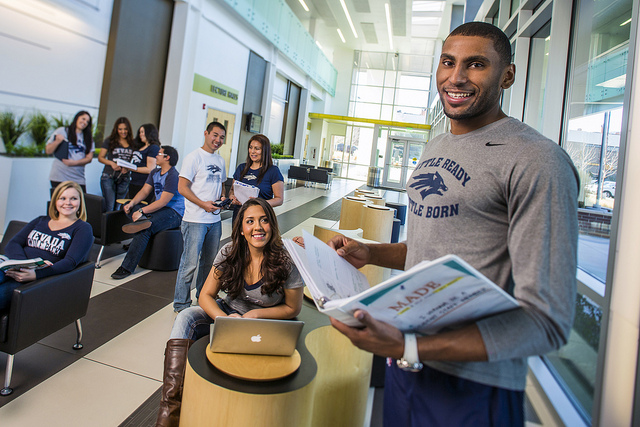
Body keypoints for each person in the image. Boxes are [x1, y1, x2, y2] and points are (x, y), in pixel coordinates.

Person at [328, 22, 579, 426]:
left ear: (507, 75)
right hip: (406, 367)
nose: (456, 77)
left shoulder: (537, 161)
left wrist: (412, 345)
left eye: (476, 64)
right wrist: (370, 252)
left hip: (474, 388)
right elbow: (430, 247)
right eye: (448, 62)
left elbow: (546, 321)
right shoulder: (437, 144)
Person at [156, 198, 304, 426]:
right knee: (186, 316)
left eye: (264, 220)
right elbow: (205, 295)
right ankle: (170, 410)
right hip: (229, 313)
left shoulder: (286, 260)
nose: (258, 227)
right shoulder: (229, 252)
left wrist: (256, 315)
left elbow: (293, 308)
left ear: (272, 226)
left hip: (268, 322)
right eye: (250, 221)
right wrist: (225, 319)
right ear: (242, 229)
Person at [0, 181, 93, 311]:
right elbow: (13, 243)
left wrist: (36, 274)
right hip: (15, 266)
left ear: (80, 202)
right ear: (55, 201)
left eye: (73, 198)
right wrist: (22, 264)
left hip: (38, 278)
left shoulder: (83, 228)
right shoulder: (41, 220)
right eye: (63, 198)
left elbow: (70, 262)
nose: (68, 202)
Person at [172, 121, 227, 312]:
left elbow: (221, 184)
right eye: (215, 135)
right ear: (206, 133)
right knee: (189, 264)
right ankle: (181, 304)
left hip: (215, 221)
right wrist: (203, 204)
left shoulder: (220, 161)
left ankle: (204, 297)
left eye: (221, 137)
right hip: (195, 220)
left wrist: (222, 197)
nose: (218, 140)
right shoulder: (193, 157)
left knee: (210, 263)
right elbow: (182, 187)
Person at [110, 146, 184, 280]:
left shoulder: (173, 176)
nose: (156, 156)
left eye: (159, 154)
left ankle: (126, 267)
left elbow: (163, 202)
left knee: (145, 227)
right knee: (131, 209)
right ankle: (141, 221)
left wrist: (141, 211)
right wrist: (132, 203)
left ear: (167, 158)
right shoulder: (155, 172)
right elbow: (145, 191)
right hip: (160, 210)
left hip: (174, 213)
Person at [228, 134, 284, 222]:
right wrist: (232, 198)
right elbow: (232, 190)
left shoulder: (273, 171)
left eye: (257, 148)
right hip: (239, 216)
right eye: (251, 147)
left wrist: (259, 203)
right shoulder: (241, 168)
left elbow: (279, 199)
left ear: (265, 151)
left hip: (259, 218)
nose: (252, 151)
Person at [45, 111, 94, 193]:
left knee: (80, 203)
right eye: (83, 119)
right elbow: (48, 150)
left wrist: (73, 163)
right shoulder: (62, 131)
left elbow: (89, 158)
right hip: (59, 176)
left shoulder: (88, 138)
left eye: (87, 121)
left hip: (78, 178)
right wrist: (57, 141)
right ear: (77, 118)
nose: (84, 122)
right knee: (59, 203)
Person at [98, 117, 134, 211]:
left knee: (119, 207)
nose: (123, 132)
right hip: (109, 175)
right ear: (116, 129)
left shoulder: (133, 143)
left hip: (124, 177)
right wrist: (111, 163)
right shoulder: (109, 140)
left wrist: (128, 168)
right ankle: (106, 226)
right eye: (120, 129)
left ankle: (115, 226)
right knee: (110, 205)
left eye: (125, 129)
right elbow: (100, 157)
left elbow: (134, 161)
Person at [128, 123, 161, 204]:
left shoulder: (153, 148)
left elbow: (150, 169)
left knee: (139, 206)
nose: (140, 135)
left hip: (143, 183)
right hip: (133, 181)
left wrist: (133, 168)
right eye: (140, 132)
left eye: (143, 132)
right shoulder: (140, 146)